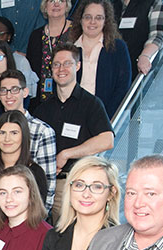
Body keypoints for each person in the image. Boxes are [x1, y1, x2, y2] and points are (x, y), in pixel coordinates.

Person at [32, 43, 114, 219]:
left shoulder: (91, 104)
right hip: (44, 187)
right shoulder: (42, 109)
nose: (61, 69)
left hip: (74, 185)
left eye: (67, 63)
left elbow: (107, 140)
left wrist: (67, 154)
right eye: (56, 64)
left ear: (77, 66)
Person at [0, 70, 58, 210]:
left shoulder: (43, 131)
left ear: (25, 92)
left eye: (15, 90)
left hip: (31, 212)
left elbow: (48, 183)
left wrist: (40, 218)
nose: (9, 95)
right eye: (4, 91)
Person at [69, 0, 132, 119]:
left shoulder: (118, 48)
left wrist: (105, 119)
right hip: (73, 117)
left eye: (99, 17)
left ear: (105, 21)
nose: (92, 22)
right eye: (88, 17)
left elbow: (123, 87)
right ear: (80, 20)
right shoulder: (70, 49)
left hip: (105, 117)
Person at [0, 110, 49, 203]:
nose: (7, 138)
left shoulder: (35, 172)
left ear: (24, 136)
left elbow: (38, 211)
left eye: (14, 133)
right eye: (2, 133)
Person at [26, 0, 73, 108]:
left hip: (69, 100)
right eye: (51, 1)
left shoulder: (76, 32)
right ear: (45, 6)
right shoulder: (35, 35)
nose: (56, 4)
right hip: (40, 103)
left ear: (67, 6)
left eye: (61, 1)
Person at [112, 0, 163, 77]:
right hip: (111, 68)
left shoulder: (155, 3)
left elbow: (158, 36)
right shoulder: (110, 4)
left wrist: (145, 56)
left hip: (136, 69)